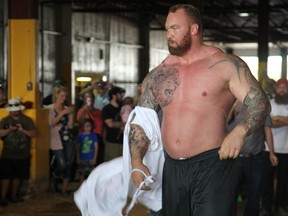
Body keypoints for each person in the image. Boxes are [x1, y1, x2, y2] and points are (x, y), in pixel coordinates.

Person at [128, 4, 270, 216]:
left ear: (194, 29)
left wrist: (240, 132)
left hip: (213, 165)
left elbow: (260, 103)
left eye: (175, 28)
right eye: (167, 29)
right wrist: (136, 161)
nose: (169, 34)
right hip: (173, 168)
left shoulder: (225, 65)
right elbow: (141, 120)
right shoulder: (160, 73)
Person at [228, 100, 277, 216]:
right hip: (234, 157)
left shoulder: (261, 105)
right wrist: (232, 106)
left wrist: (272, 152)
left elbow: (267, 129)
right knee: (230, 194)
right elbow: (222, 123)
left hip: (255, 158)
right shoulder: (232, 103)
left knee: (254, 194)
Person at [0, 97, 36, 206]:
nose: (15, 112)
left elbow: (34, 134)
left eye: (17, 110)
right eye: (13, 110)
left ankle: (13, 196)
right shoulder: (5, 121)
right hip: (7, 154)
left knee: (17, 177)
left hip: (22, 155)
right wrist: (10, 129)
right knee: (5, 177)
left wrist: (22, 130)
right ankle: (3, 197)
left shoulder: (27, 120)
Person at [261, 78, 288, 216]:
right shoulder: (270, 104)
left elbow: (273, 122)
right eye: (280, 87)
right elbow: (268, 124)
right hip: (269, 149)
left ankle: (281, 207)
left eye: (285, 87)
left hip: (286, 150)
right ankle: (266, 207)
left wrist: (277, 118)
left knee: (284, 181)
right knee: (267, 180)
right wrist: (285, 121)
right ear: (276, 88)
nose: (282, 89)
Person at [48, 86, 75, 196]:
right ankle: (53, 179)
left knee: (68, 163)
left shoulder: (66, 108)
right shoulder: (51, 108)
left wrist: (71, 114)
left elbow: (71, 125)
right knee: (62, 164)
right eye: (62, 96)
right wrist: (63, 113)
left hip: (68, 138)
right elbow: (52, 123)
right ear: (56, 95)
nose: (64, 98)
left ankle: (64, 189)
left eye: (65, 96)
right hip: (56, 139)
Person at [76, 92, 104, 165]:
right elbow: (79, 122)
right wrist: (84, 111)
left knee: (98, 158)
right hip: (85, 137)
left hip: (97, 137)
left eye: (90, 97)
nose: (89, 99)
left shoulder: (98, 111)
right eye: (87, 98)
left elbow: (102, 124)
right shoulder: (81, 111)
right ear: (84, 100)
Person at [102, 86, 125, 161]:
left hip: (124, 142)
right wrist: (125, 124)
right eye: (120, 94)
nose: (122, 96)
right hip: (112, 142)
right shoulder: (107, 109)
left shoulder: (123, 107)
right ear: (113, 96)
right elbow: (110, 124)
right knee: (112, 164)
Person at [76, 118, 98, 183]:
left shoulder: (94, 136)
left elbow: (96, 147)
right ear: (83, 127)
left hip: (90, 158)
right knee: (82, 174)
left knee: (91, 174)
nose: (88, 128)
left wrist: (94, 158)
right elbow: (77, 147)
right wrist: (78, 158)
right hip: (82, 158)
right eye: (86, 126)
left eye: (89, 126)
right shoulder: (80, 136)